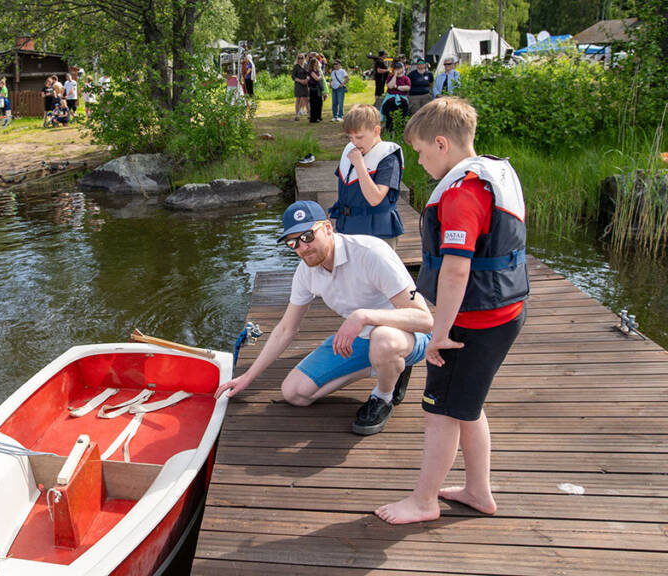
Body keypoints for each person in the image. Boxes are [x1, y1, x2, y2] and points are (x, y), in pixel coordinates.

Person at [375, 97, 528, 525]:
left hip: (472, 323)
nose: (419, 161)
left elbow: (457, 272)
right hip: (504, 312)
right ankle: (478, 490)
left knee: (439, 411)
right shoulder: (492, 173)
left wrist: (438, 334)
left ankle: (424, 502)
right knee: (467, 406)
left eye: (421, 152)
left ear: (442, 143)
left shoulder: (463, 193)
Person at [215, 200, 432, 436]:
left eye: (308, 236)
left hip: (406, 336)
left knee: (383, 339)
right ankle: (390, 366)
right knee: (294, 393)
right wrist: (248, 376)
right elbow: (286, 329)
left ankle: (383, 397)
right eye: (292, 242)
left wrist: (363, 316)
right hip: (362, 339)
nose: (302, 247)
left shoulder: (371, 253)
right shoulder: (305, 272)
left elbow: (424, 320)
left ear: (328, 228)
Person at [331, 104, 405, 248]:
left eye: (359, 137)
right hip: (347, 231)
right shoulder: (351, 149)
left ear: (376, 131)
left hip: (378, 235)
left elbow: (375, 198)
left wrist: (359, 165)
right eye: (350, 137)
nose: (354, 143)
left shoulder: (389, 158)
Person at [380, 61, 411, 132]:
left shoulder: (406, 78)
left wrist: (397, 87)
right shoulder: (390, 77)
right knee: (389, 117)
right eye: (397, 69)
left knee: (403, 116)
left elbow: (407, 87)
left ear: (403, 69)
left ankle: (400, 132)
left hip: (402, 99)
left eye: (400, 68)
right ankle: (389, 132)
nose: (398, 70)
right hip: (390, 99)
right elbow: (390, 86)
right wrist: (395, 76)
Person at [292, 54, 309, 121]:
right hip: (298, 85)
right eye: (299, 58)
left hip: (305, 84)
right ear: (297, 59)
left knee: (306, 100)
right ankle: (297, 115)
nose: (301, 59)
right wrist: (300, 81)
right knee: (298, 100)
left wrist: (307, 80)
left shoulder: (306, 66)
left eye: (302, 58)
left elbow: (309, 74)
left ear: (304, 59)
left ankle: (309, 114)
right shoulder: (296, 67)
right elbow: (293, 77)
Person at [307, 58, 324, 123]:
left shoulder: (317, 70)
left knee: (319, 102)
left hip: (318, 88)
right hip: (313, 88)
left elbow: (319, 77)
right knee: (314, 104)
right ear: (313, 63)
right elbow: (317, 78)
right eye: (316, 62)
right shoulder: (311, 71)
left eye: (317, 62)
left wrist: (320, 76)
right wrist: (320, 76)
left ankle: (318, 116)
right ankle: (313, 118)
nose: (317, 64)